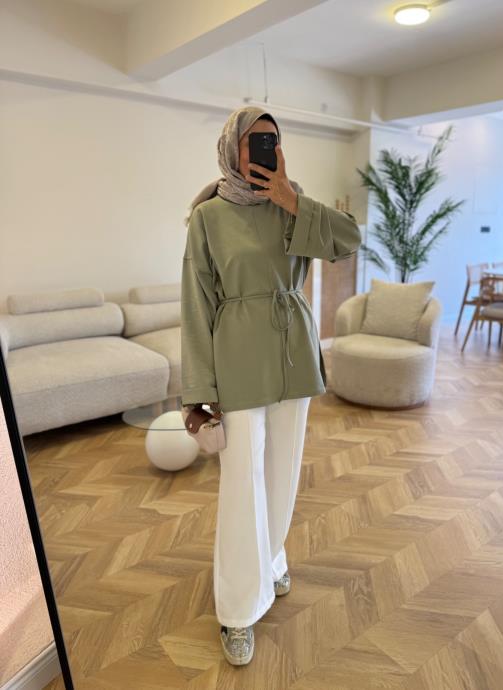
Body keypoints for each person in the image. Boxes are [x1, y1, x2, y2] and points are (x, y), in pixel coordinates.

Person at [180, 105, 362, 665]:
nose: (265, 149)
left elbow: (349, 240)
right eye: (254, 141)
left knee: (283, 471)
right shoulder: (208, 216)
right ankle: (238, 610)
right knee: (242, 480)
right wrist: (197, 392)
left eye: (273, 140)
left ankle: (272, 559)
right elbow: (196, 304)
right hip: (237, 356)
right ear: (231, 147)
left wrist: (290, 198)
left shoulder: (293, 202)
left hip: (292, 352)